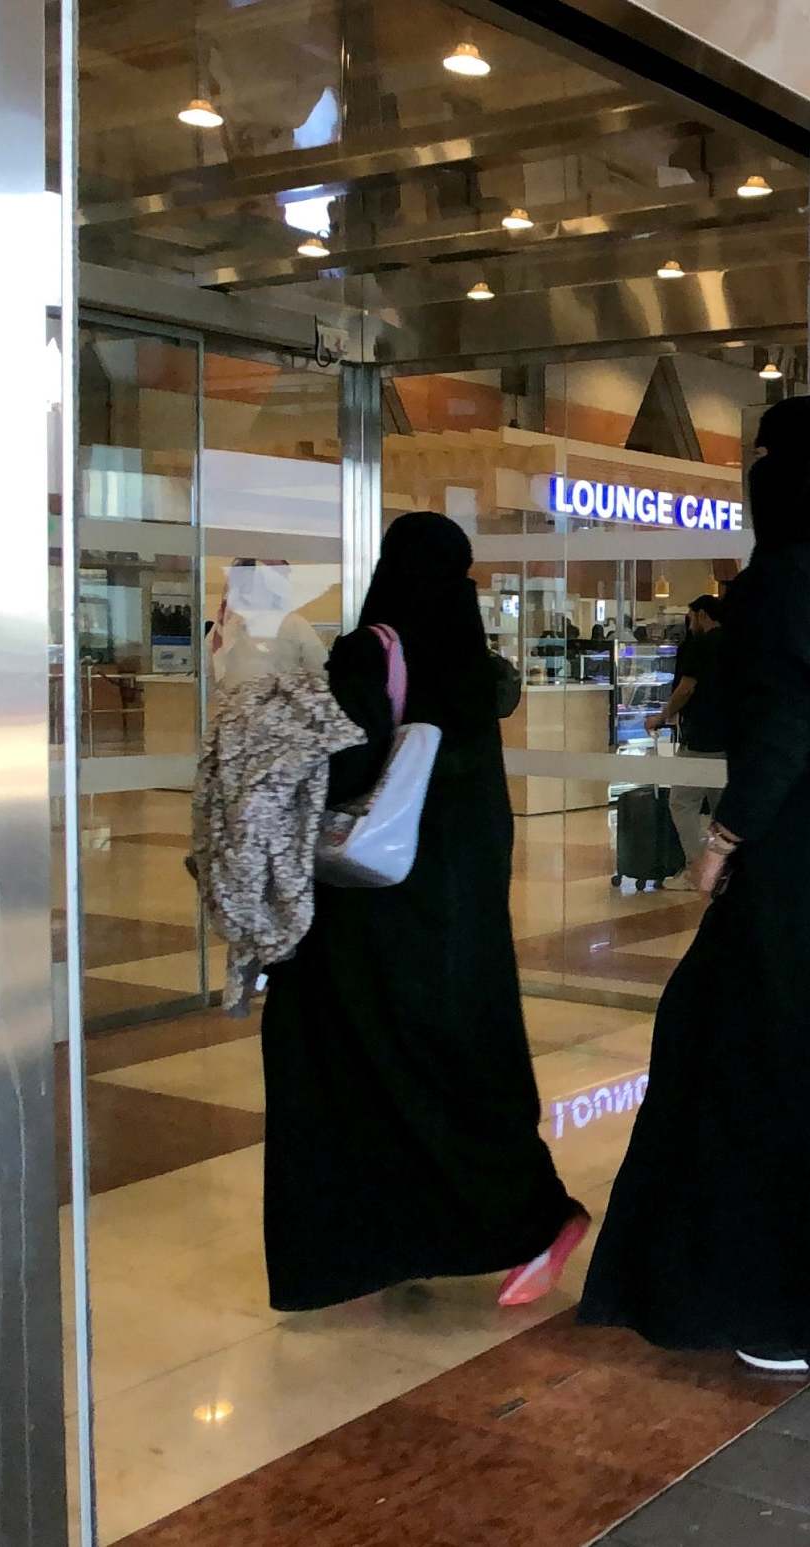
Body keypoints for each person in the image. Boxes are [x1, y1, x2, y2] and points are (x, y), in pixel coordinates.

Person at [579, 397, 810, 1373]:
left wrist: (722, 839)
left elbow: (778, 738)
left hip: (793, 882)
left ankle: (775, 1302)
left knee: (746, 1069)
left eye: (765, 460)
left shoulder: (784, 587)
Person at [259, 512, 588, 1313]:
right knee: (460, 1064)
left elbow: (341, 763)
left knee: (359, 1066)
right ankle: (486, 1223)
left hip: (373, 913)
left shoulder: (372, 647)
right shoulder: (469, 660)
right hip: (458, 913)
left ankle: (494, 1222)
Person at [645, 594, 727, 882]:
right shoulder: (739, 643)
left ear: (702, 614)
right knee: (723, 807)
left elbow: (686, 688)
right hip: (730, 739)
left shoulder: (700, 645)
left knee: (682, 802)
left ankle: (698, 868)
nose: (689, 623)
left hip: (702, 736)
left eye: (691, 617)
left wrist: (662, 715)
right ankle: (727, 866)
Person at [209, 558, 327, 690]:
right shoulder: (226, 624)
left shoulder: (294, 624)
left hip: (277, 705)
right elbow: (208, 672)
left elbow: (320, 673)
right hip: (239, 705)